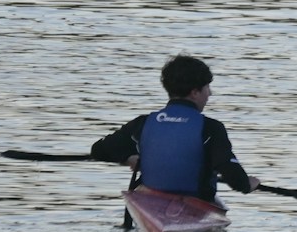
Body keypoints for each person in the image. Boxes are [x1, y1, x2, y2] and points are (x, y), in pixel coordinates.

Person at [92, 55, 259, 202]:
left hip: (151, 204)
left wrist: (128, 157)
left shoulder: (143, 123)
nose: (210, 94)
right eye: (208, 87)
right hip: (197, 204)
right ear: (195, 92)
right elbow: (233, 175)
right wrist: (248, 184)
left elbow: (99, 150)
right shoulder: (211, 128)